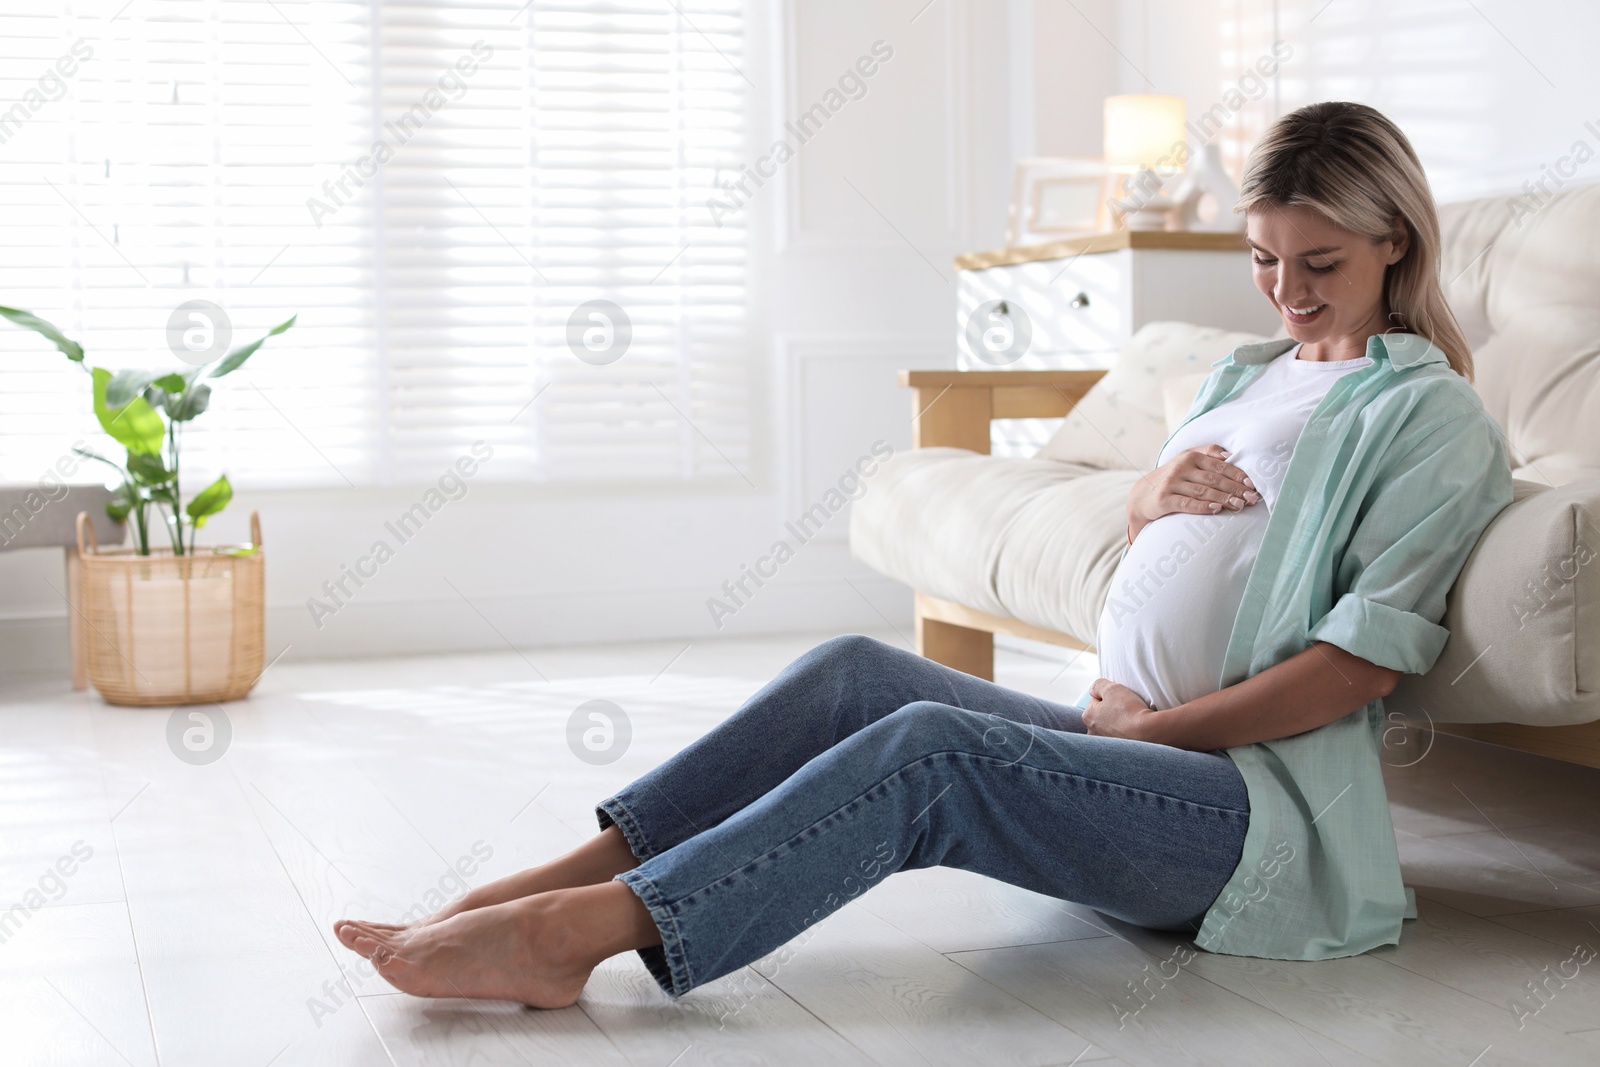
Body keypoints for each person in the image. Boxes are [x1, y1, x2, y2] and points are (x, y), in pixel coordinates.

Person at [332, 101, 1514, 1007]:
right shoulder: (1241, 375)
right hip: (1129, 739)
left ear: (1393, 242)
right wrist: (1149, 496)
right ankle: (561, 874)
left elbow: (1360, 664)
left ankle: (578, 935)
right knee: (855, 670)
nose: (1286, 291)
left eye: (1321, 265)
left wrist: (1156, 730)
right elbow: (1181, 542)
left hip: (1247, 811)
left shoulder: (1429, 415)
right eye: (1265, 259)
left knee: (929, 752)